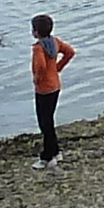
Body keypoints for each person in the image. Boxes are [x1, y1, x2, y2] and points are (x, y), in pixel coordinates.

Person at [28, 14, 76, 167]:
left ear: (36, 32)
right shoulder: (55, 42)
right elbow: (70, 52)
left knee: (45, 122)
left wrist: (37, 78)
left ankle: (48, 156)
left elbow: (41, 66)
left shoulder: (38, 48)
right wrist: (57, 68)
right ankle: (55, 151)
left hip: (43, 89)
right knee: (49, 119)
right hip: (55, 85)